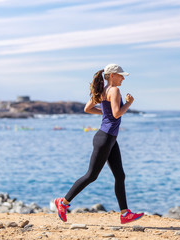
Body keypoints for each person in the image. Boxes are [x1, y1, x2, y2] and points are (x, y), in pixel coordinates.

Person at [54, 64, 144, 224]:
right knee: (91, 175)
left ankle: (125, 213)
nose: (123, 78)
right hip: (105, 139)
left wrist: (105, 111)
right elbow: (116, 114)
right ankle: (63, 202)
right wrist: (129, 103)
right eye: (121, 75)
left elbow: (88, 108)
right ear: (112, 76)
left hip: (109, 138)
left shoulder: (102, 90)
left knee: (120, 175)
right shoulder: (114, 90)